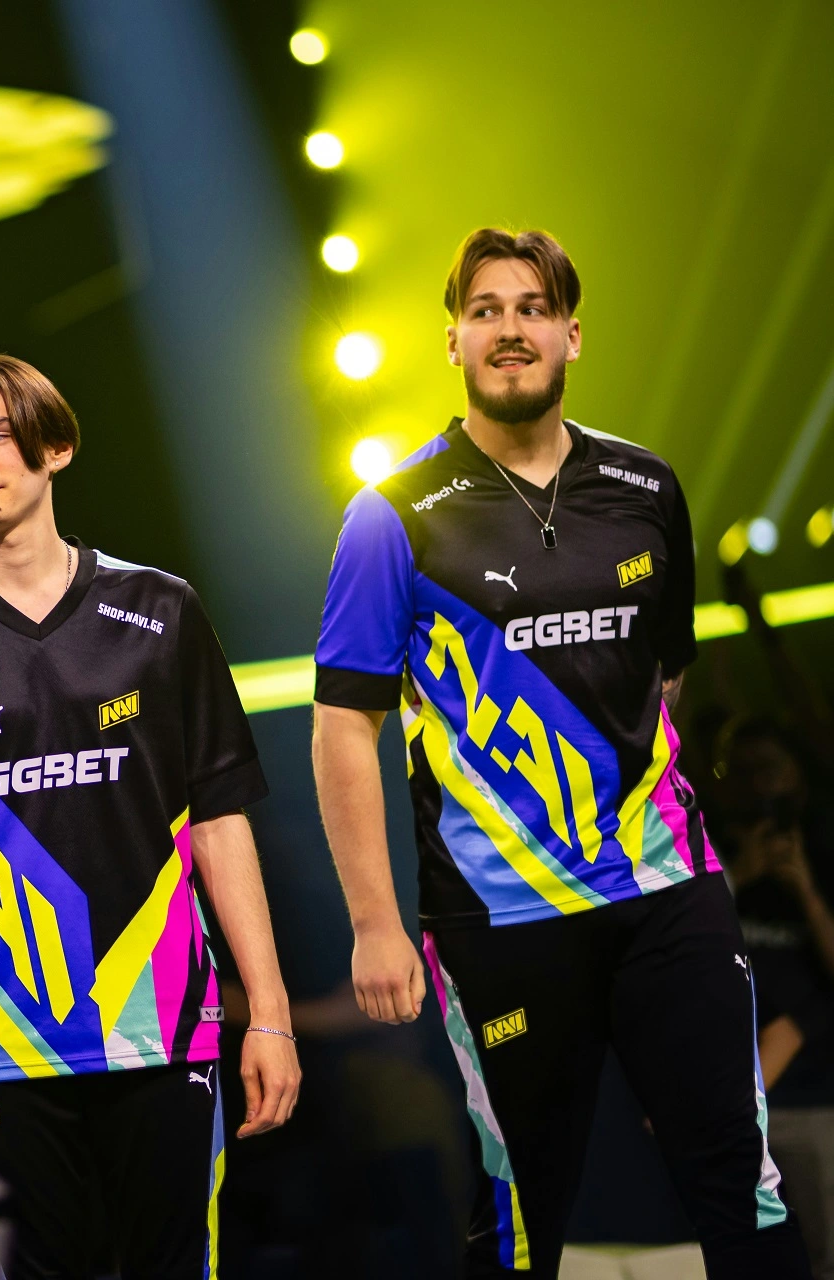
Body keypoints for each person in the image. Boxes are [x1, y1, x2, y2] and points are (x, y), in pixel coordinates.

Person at [310, 227, 809, 1278]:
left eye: (532, 307)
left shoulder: (646, 486)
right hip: (500, 918)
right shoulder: (390, 516)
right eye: (485, 309)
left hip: (666, 889)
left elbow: (664, 680)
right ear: (452, 340)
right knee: (517, 1215)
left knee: (743, 1181)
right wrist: (374, 923)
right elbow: (345, 726)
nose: (510, 329)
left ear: (571, 334)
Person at [0, 354, 300, 1278]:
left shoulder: (162, 609)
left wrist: (270, 1013)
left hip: (163, 1024)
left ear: (54, 448)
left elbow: (219, 821)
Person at [722, 781, 834, 1277]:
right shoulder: (723, 888)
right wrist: (744, 872)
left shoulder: (817, 882)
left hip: (814, 1101)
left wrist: (805, 887)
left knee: (824, 1258)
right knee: (745, 1255)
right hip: (739, 1101)